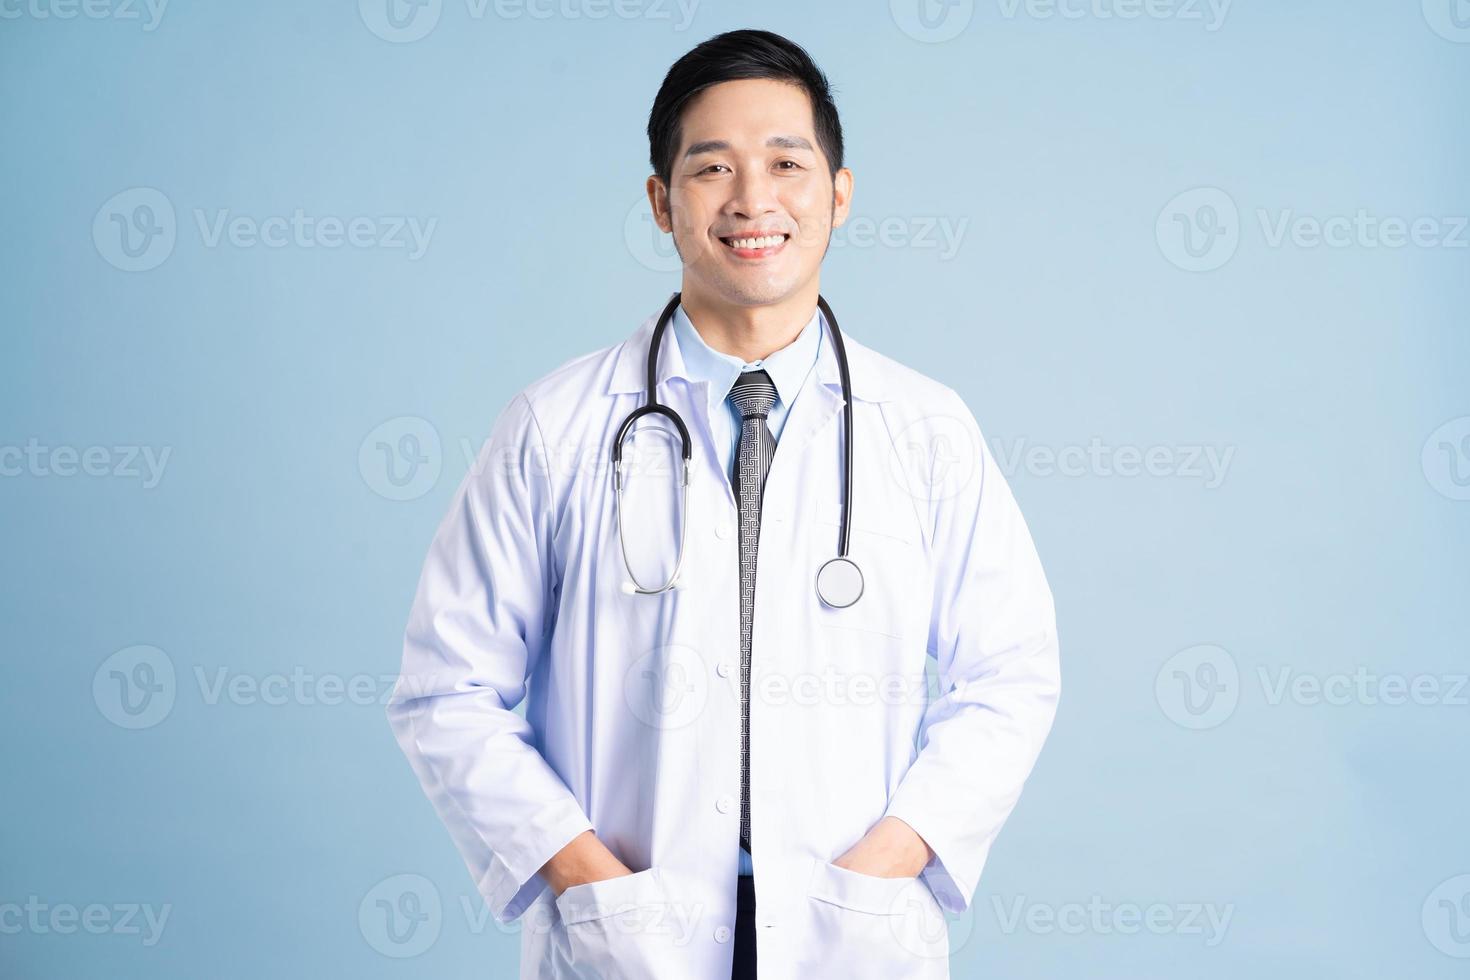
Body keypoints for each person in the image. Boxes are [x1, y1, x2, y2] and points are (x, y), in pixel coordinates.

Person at [385, 28, 1061, 980]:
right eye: (713, 169)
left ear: (839, 194)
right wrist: (584, 879)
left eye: (787, 163)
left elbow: (1012, 676)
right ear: (663, 203)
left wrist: (893, 855)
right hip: (632, 927)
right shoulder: (554, 426)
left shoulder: (926, 429)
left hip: (848, 926)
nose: (754, 201)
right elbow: (445, 690)